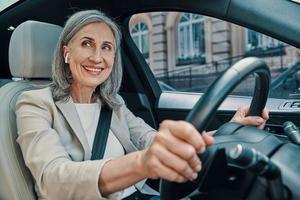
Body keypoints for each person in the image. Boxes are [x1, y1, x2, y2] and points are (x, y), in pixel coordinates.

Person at [15, 10, 269, 200]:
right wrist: (142, 164)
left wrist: (229, 130)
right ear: (66, 53)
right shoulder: (35, 103)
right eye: (86, 44)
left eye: (107, 47)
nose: (97, 57)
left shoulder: (113, 104)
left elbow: (153, 141)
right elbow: (52, 179)